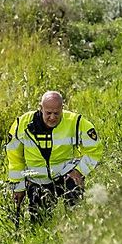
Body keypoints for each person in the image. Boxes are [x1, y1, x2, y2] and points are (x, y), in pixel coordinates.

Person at [6, 91, 102, 223]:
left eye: (56, 113)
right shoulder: (22, 124)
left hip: (66, 177)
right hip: (37, 182)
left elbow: (94, 149)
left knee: (76, 220)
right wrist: (18, 187)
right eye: (48, 113)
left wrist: (80, 171)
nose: (52, 117)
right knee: (39, 224)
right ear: (41, 108)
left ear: (63, 108)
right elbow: (14, 157)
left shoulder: (75, 122)